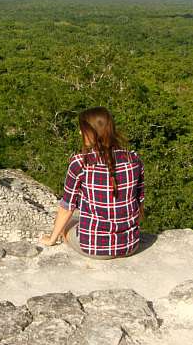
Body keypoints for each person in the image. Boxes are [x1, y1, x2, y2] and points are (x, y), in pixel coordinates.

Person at [40, 107, 144, 259]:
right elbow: (140, 201)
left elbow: (67, 207)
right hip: (129, 246)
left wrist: (51, 239)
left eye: (82, 130)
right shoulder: (133, 159)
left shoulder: (80, 163)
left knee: (69, 223)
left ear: (91, 132)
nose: (80, 133)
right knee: (77, 217)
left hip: (94, 248)